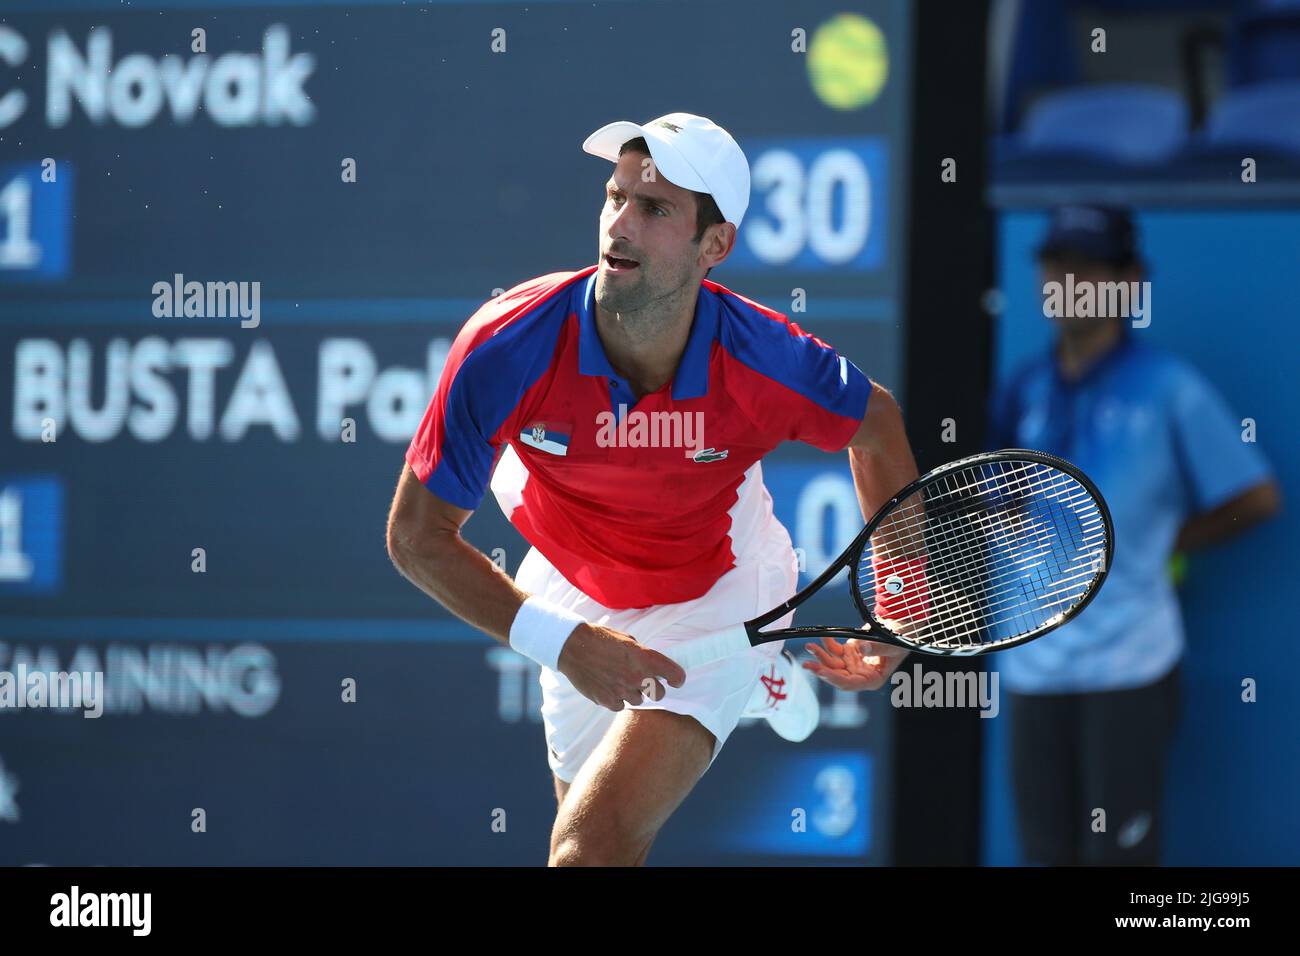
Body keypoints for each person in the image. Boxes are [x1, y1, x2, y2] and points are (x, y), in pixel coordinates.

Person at [385, 113, 919, 866]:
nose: (620, 225)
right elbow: (415, 539)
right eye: (616, 197)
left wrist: (901, 605)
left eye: (655, 208)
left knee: (585, 852)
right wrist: (563, 641)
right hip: (575, 585)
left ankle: (746, 663)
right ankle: (763, 677)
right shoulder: (506, 346)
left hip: (720, 585)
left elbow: (879, 425)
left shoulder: (767, 360)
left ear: (715, 246)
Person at [809, 204, 1282, 864]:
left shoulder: (1170, 391)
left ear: (1131, 279)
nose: (1069, 280)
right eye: (1059, 265)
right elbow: (987, 506)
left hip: (1131, 669)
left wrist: (1163, 544)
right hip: (1031, 668)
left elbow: (1256, 496)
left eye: (1089, 266)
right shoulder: (1020, 390)